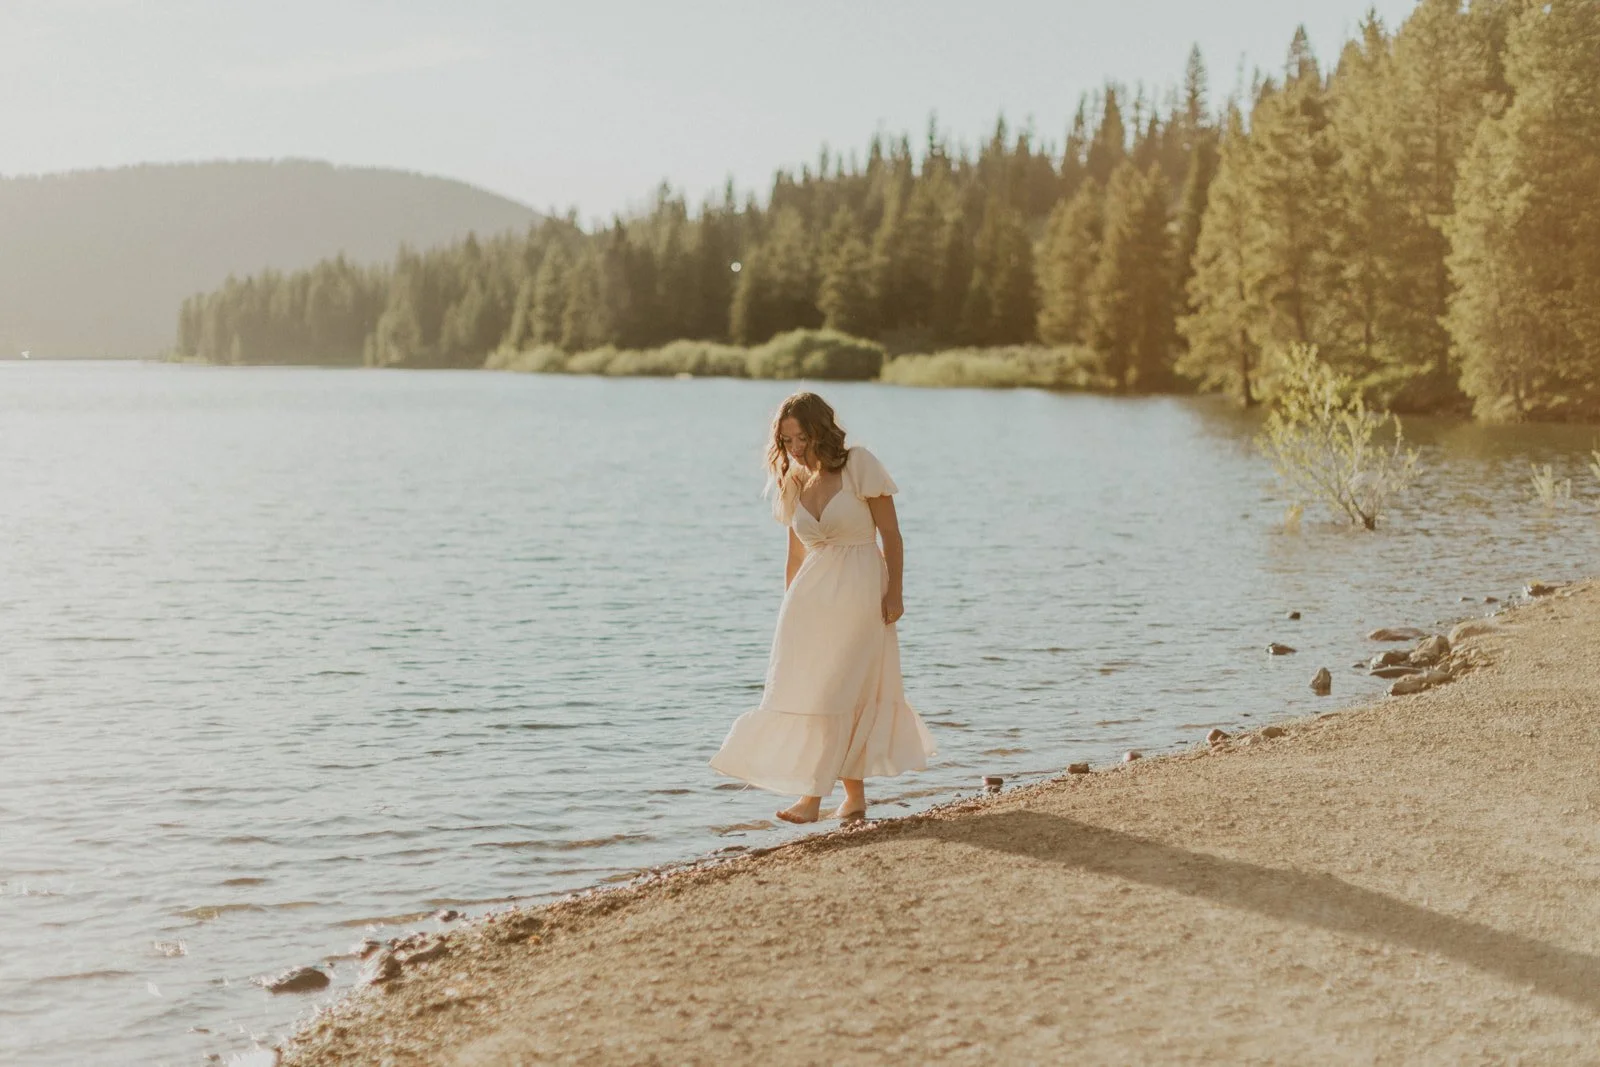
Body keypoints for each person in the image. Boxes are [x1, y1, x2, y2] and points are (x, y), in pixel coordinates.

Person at [710, 391, 936, 823]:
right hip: (809, 603)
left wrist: (896, 593)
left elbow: (892, 535)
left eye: (802, 437)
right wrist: (787, 609)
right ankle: (853, 799)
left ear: (821, 430)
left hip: (861, 590)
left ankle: (812, 798)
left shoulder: (859, 464)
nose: (795, 448)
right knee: (825, 693)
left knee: (838, 688)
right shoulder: (794, 480)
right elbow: (795, 555)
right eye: (787, 440)